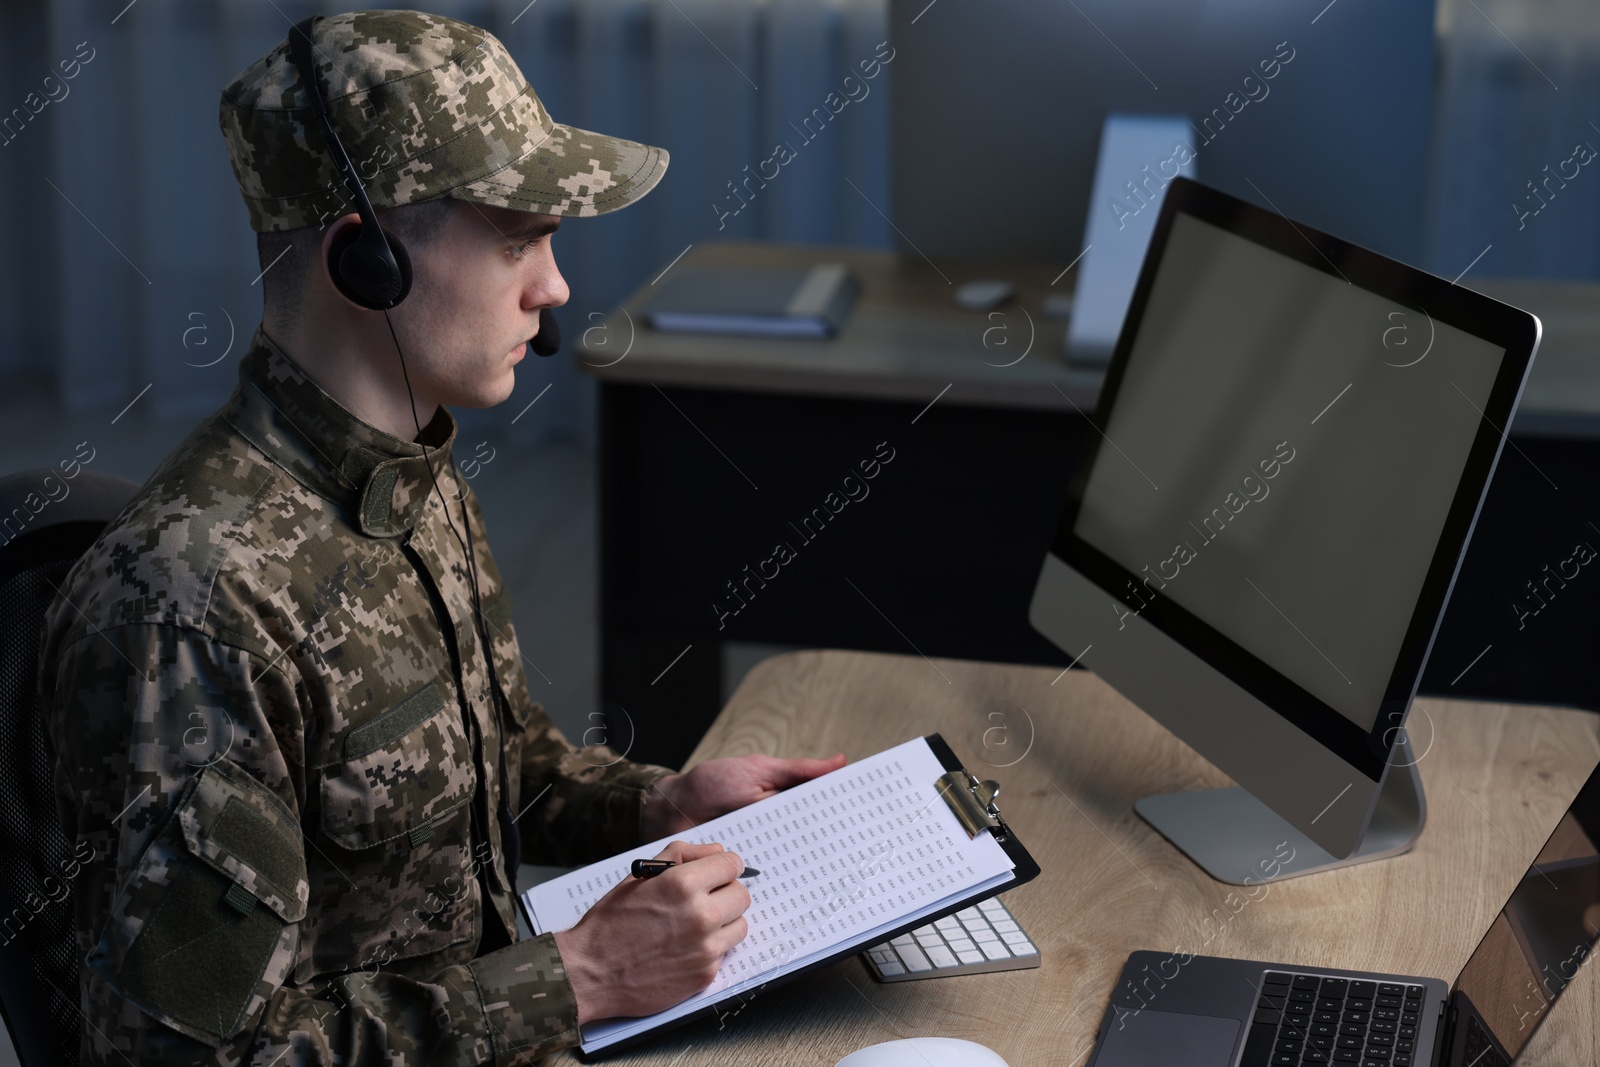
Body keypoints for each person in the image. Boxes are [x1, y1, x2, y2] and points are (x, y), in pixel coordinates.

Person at [37, 10, 846, 1065]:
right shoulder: (197, 610)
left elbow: (488, 766)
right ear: (365, 261)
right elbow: (181, 1056)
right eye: (518, 239)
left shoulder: (410, 477)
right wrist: (579, 977)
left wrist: (655, 802)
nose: (554, 288)